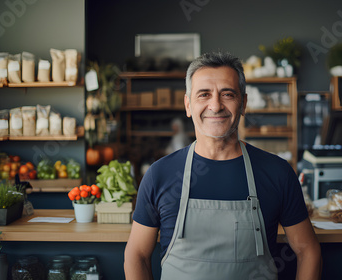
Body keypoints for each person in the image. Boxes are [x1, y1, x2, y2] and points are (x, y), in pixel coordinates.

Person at [124, 51, 322, 280]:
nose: (215, 105)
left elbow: (308, 250)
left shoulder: (278, 173)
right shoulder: (159, 175)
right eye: (204, 95)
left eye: (227, 94)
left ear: (243, 103)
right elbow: (136, 254)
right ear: (188, 105)